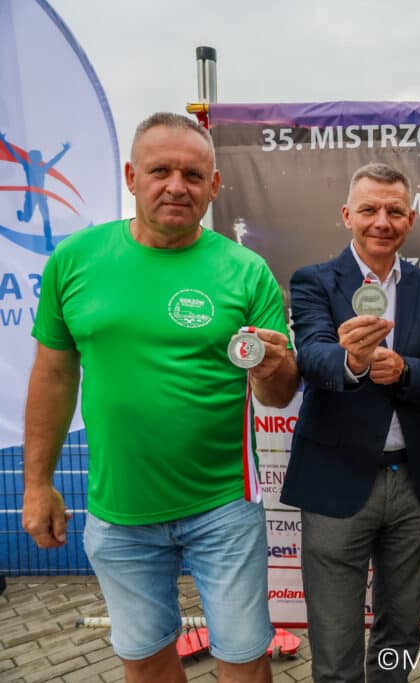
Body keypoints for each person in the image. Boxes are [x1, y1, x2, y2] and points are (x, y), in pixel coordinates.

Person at [22, 112, 299, 683]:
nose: (177, 185)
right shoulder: (74, 261)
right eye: (161, 170)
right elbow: (52, 375)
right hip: (119, 513)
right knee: (145, 660)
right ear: (131, 175)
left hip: (225, 506)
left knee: (245, 659)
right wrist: (37, 484)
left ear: (214, 186)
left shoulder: (247, 271)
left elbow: (278, 393)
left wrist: (275, 367)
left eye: (194, 174)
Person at [281, 162, 420, 682]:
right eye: (369, 210)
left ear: (410, 219)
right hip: (335, 479)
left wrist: (404, 370)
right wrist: (354, 362)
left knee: (400, 637)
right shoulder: (314, 280)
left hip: (412, 480)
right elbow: (310, 357)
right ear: (347, 215)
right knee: (336, 648)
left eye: (394, 211)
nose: (382, 221)